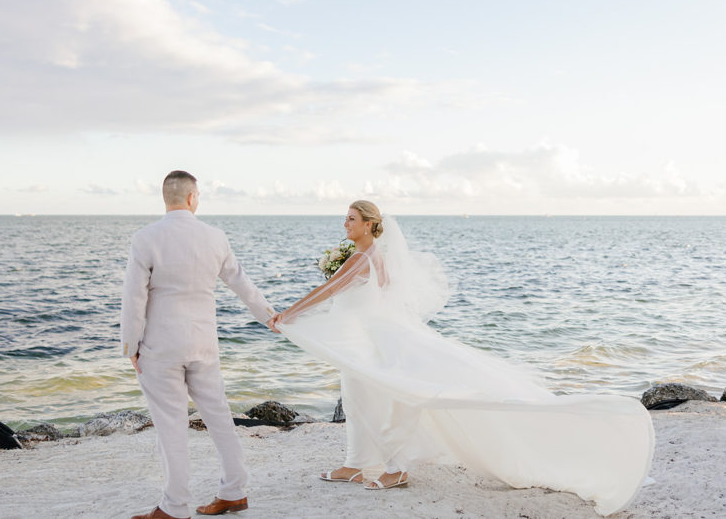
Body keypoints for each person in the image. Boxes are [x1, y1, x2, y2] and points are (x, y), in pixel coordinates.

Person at [272, 200, 655, 516]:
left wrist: (286, 315)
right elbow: (378, 297)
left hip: (371, 339)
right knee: (357, 398)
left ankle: (395, 468)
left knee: (383, 398)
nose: (345, 223)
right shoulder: (373, 259)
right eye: (346, 218)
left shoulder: (360, 260)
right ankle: (356, 463)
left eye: (352, 219)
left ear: (371, 226)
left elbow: (325, 292)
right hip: (366, 337)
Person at [121, 170, 277, 519]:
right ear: (193, 198)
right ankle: (234, 491)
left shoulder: (146, 238)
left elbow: (133, 298)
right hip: (203, 342)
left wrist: (130, 345)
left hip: (161, 346)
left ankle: (175, 506)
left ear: (166, 198)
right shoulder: (215, 237)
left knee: (171, 425)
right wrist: (269, 316)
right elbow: (242, 283)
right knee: (219, 416)